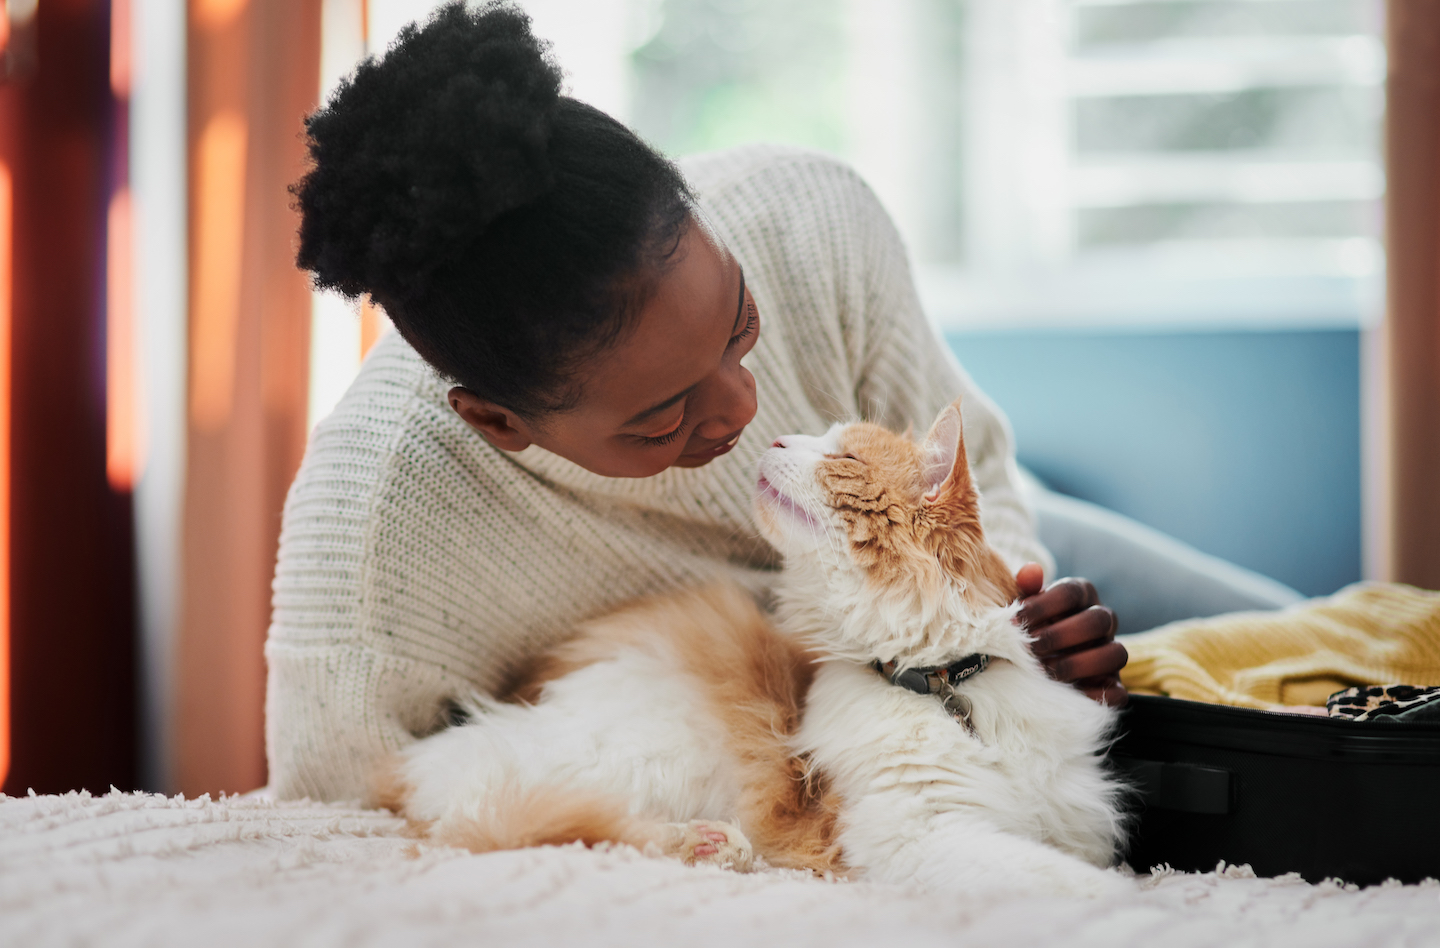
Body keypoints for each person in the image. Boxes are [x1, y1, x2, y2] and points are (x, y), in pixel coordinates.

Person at [269, 1, 1125, 802]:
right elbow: (342, 822)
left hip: (968, 582)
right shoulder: (375, 539)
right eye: (662, 419)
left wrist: (1012, 628)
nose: (744, 409)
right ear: (497, 422)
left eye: (740, 325)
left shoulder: (814, 221)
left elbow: (978, 490)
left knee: (1252, 647)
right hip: (787, 730)